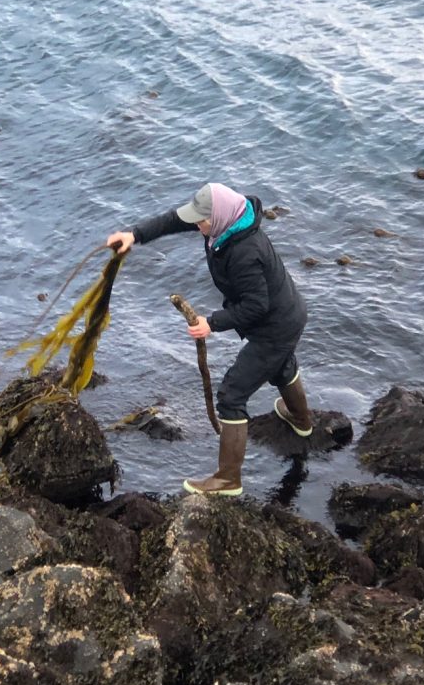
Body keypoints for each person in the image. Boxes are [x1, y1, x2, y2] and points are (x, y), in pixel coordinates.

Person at [107, 183, 314, 496]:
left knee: (231, 395)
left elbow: (256, 305)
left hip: (275, 326)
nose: (198, 226)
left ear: (218, 218)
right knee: (280, 366)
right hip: (286, 314)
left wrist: (212, 324)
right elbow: (174, 220)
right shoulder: (225, 223)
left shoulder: (245, 251)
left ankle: (228, 479)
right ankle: (301, 421)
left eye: (201, 221)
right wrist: (134, 235)